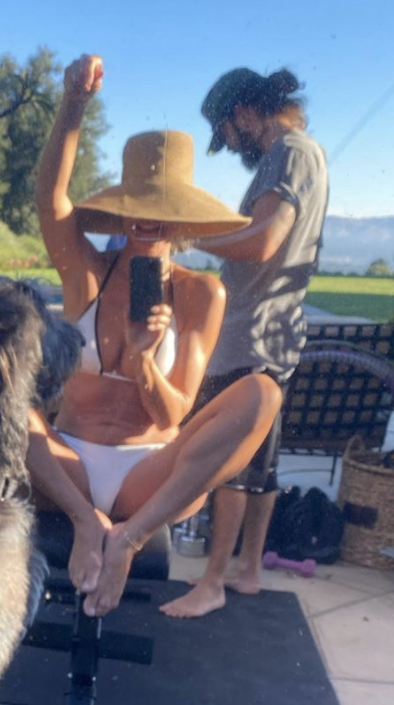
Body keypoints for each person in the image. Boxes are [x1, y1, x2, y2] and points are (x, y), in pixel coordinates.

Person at [28, 54, 282, 616]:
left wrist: (144, 362)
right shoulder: (87, 272)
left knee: (263, 393)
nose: (148, 219)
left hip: (149, 476)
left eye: (161, 207)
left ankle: (128, 537)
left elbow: (171, 417)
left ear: (182, 218)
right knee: (4, 403)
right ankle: (86, 523)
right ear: (122, 211)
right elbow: (51, 200)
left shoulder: (200, 295)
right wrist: (72, 105)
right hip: (65, 464)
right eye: (138, 205)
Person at [161, 67, 329, 618]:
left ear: (244, 114)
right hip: (271, 333)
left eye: (227, 134)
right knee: (262, 465)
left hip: (252, 335)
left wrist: (190, 234)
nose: (230, 146)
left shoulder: (290, 154)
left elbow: (264, 242)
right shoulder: (305, 153)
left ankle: (210, 581)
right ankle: (248, 570)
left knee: (229, 465)